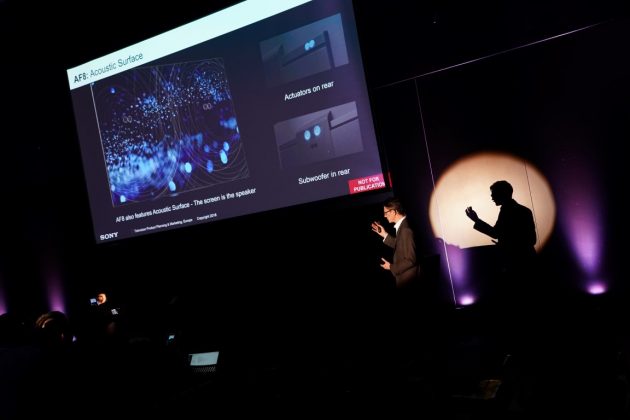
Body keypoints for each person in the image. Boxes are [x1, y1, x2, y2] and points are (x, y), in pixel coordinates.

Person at [465, 180, 537, 274]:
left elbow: (496, 233)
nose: (491, 196)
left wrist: (506, 245)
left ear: (502, 193)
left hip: (519, 262)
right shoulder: (521, 210)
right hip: (524, 260)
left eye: (493, 193)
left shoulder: (509, 211)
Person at [371, 197, 421, 288]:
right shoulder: (403, 226)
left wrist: (391, 267)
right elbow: (400, 246)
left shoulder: (406, 230)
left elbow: (411, 260)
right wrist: (384, 234)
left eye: (386, 213)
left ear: (394, 212)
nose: (384, 216)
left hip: (409, 281)